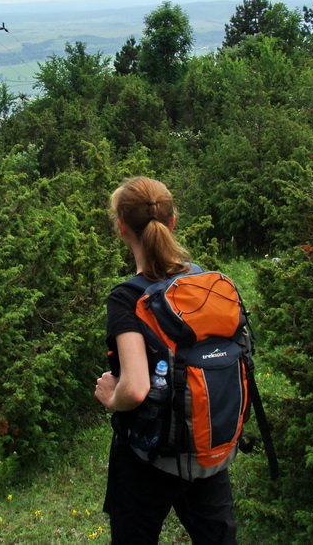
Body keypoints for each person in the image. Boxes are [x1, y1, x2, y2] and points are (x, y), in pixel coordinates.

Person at [95, 177, 237, 545]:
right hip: (206, 445)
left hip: (149, 454)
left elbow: (137, 387)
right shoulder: (203, 279)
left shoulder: (126, 298)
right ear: (173, 222)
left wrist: (112, 397)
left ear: (121, 227)